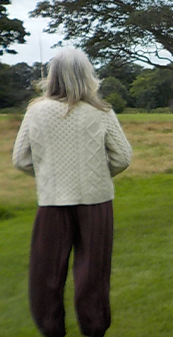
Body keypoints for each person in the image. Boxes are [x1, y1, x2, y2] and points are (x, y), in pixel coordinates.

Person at [12, 48, 132, 337]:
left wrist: (50, 176)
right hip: (97, 203)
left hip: (52, 202)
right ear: (88, 76)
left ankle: (51, 329)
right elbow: (123, 157)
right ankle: (94, 330)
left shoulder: (35, 111)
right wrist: (97, 175)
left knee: (46, 274)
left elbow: (21, 159)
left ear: (52, 76)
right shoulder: (102, 112)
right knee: (93, 274)